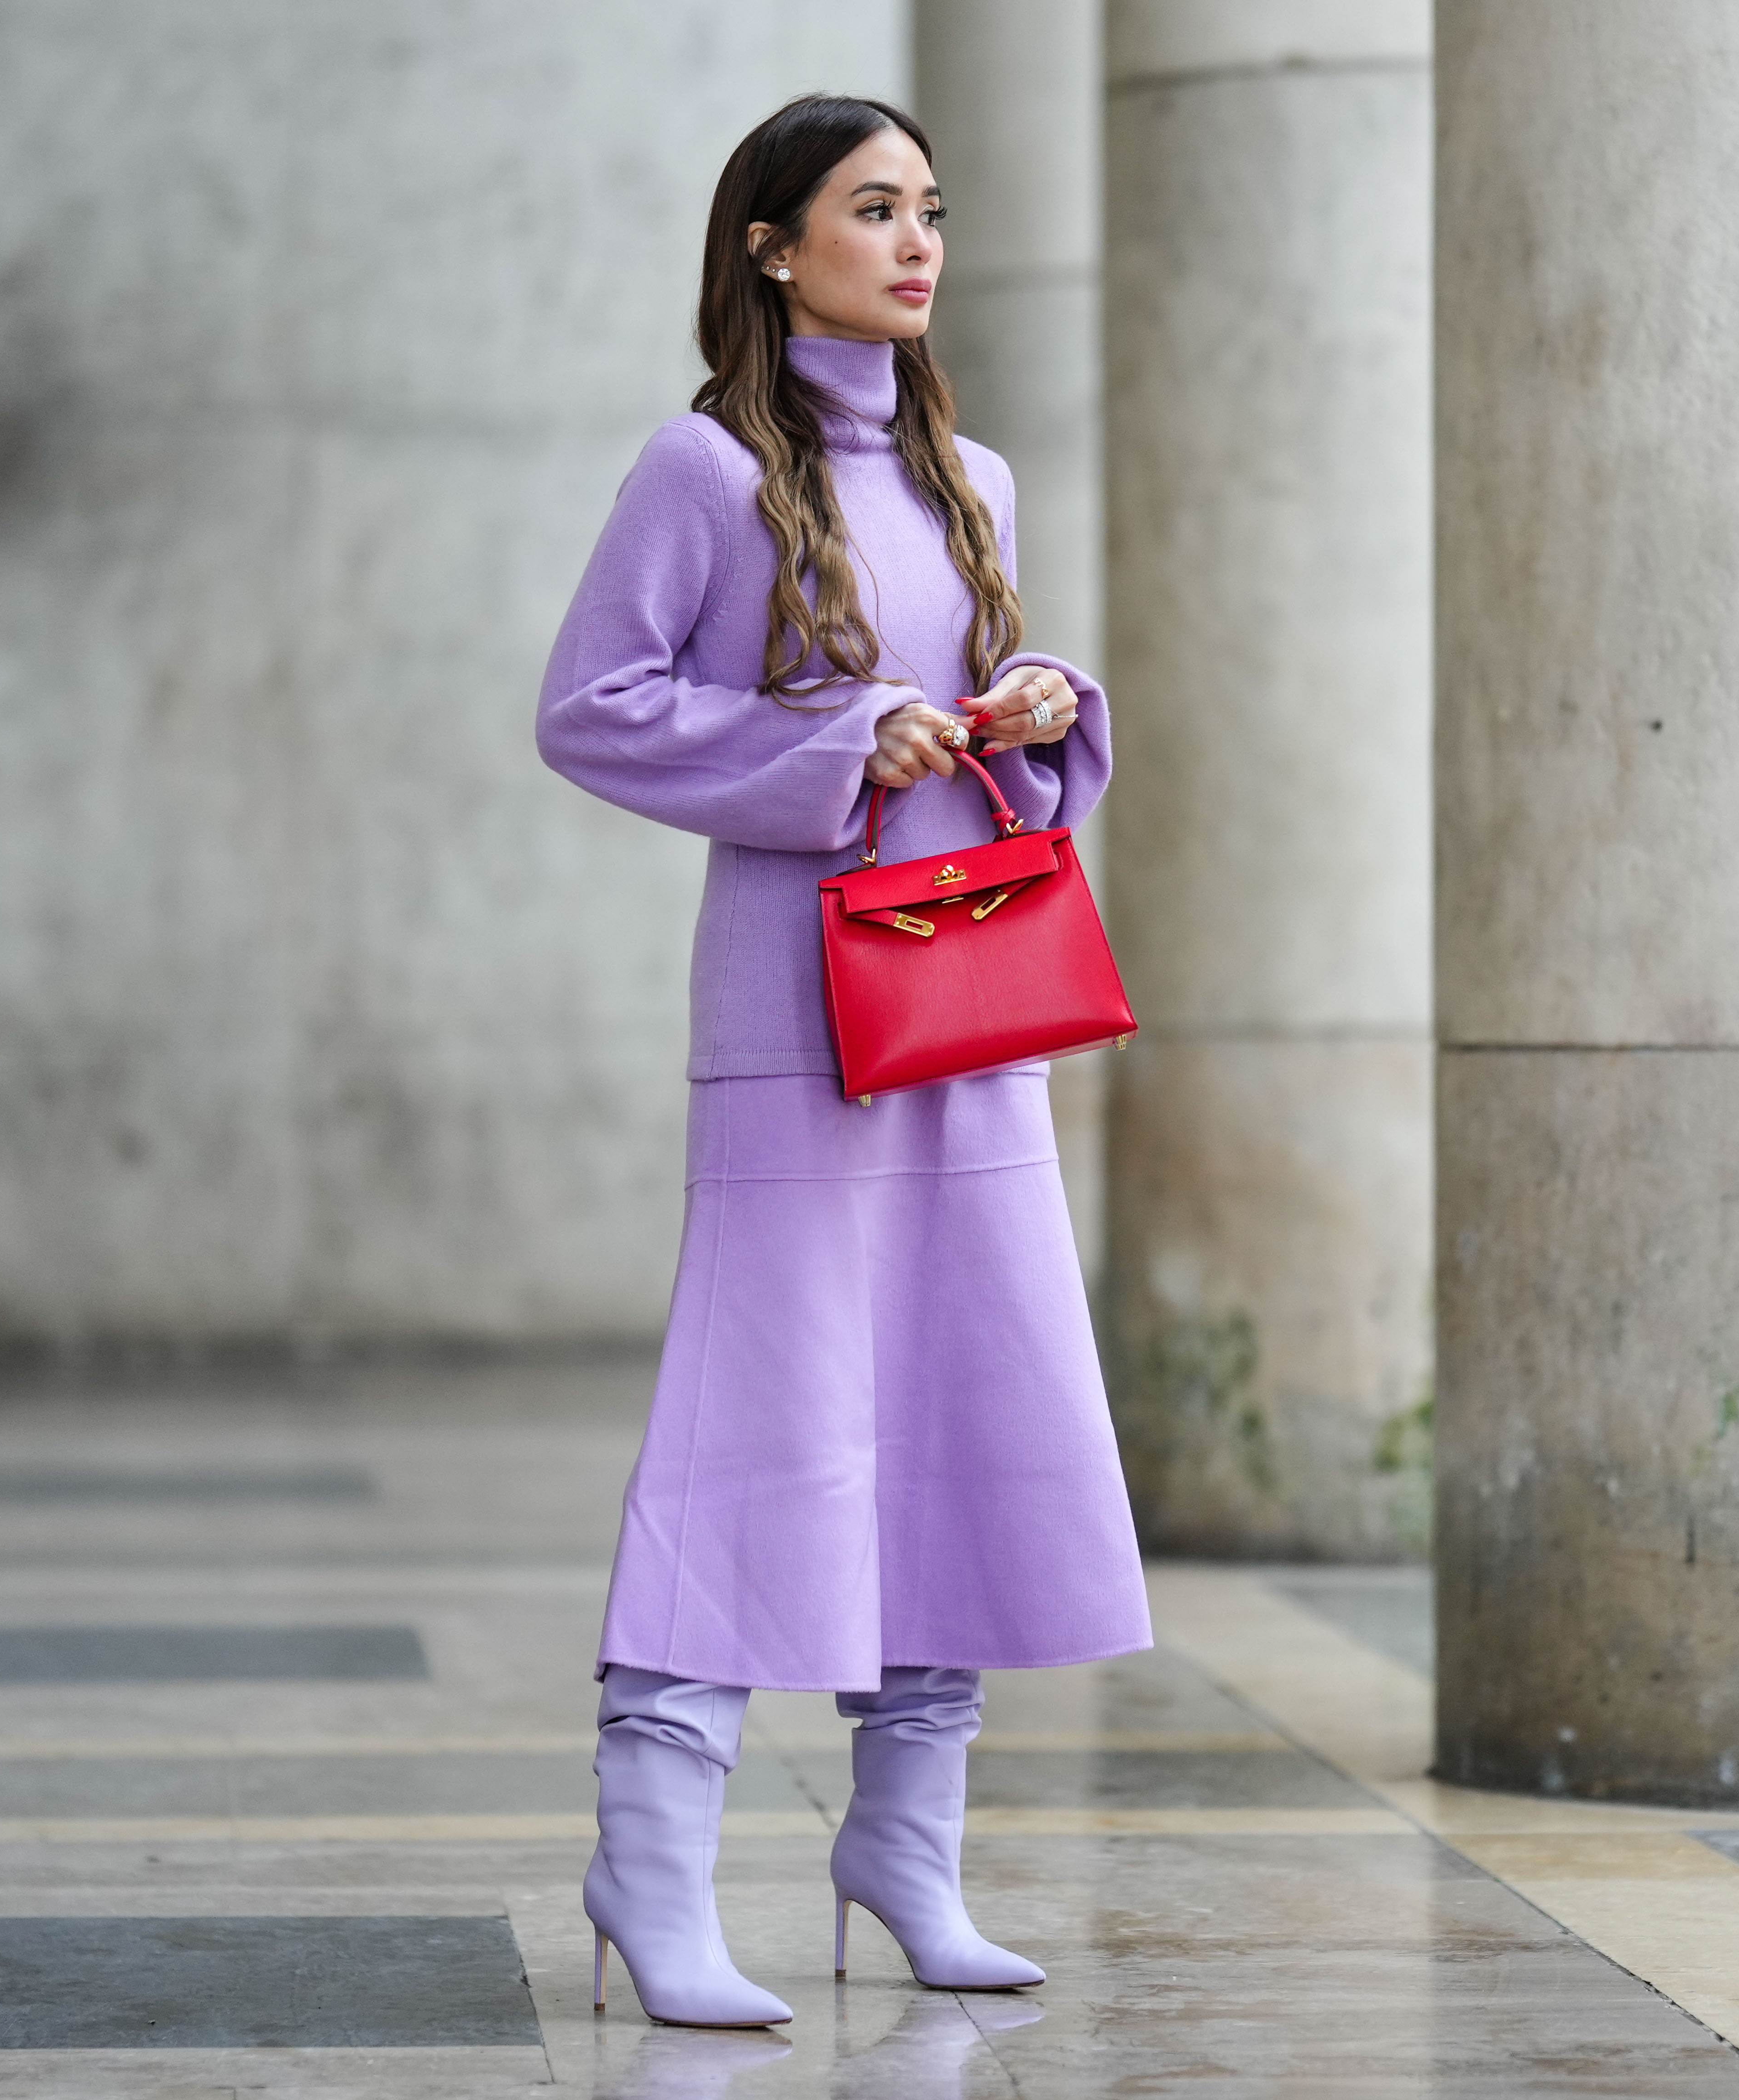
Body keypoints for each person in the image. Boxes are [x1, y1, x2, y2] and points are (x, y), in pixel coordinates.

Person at [537, 94, 1153, 2030]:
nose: (916, 242)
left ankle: (908, 1853)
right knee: (755, 1426)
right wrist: (830, 744)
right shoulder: (702, 469)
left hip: (963, 1016)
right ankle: (652, 1870)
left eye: (930, 210)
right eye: (874, 209)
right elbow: (593, 707)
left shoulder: (976, 475)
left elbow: (976, 726)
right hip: (794, 1020)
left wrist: (1032, 707)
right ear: (770, 243)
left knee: (957, 1410)